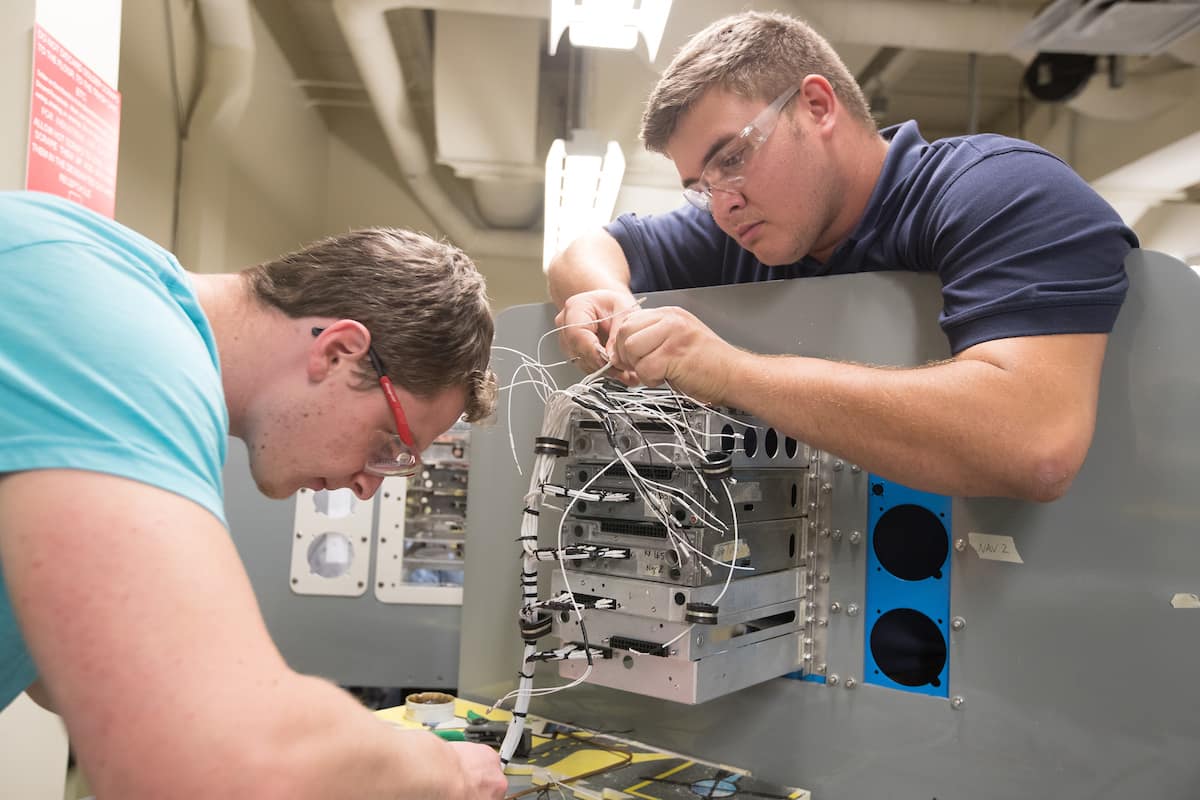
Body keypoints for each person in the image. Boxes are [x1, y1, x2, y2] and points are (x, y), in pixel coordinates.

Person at [0, 190, 507, 798]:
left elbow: (83, 670)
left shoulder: (114, 299)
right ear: (339, 350)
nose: (369, 486)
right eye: (387, 443)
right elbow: (225, 761)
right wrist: (441, 772)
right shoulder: (122, 344)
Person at [549, 11, 1137, 502]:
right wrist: (607, 297)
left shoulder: (997, 190)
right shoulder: (739, 232)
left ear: (817, 105)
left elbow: (1033, 443)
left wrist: (731, 372)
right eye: (700, 185)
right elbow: (584, 253)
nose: (722, 204)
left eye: (731, 158)